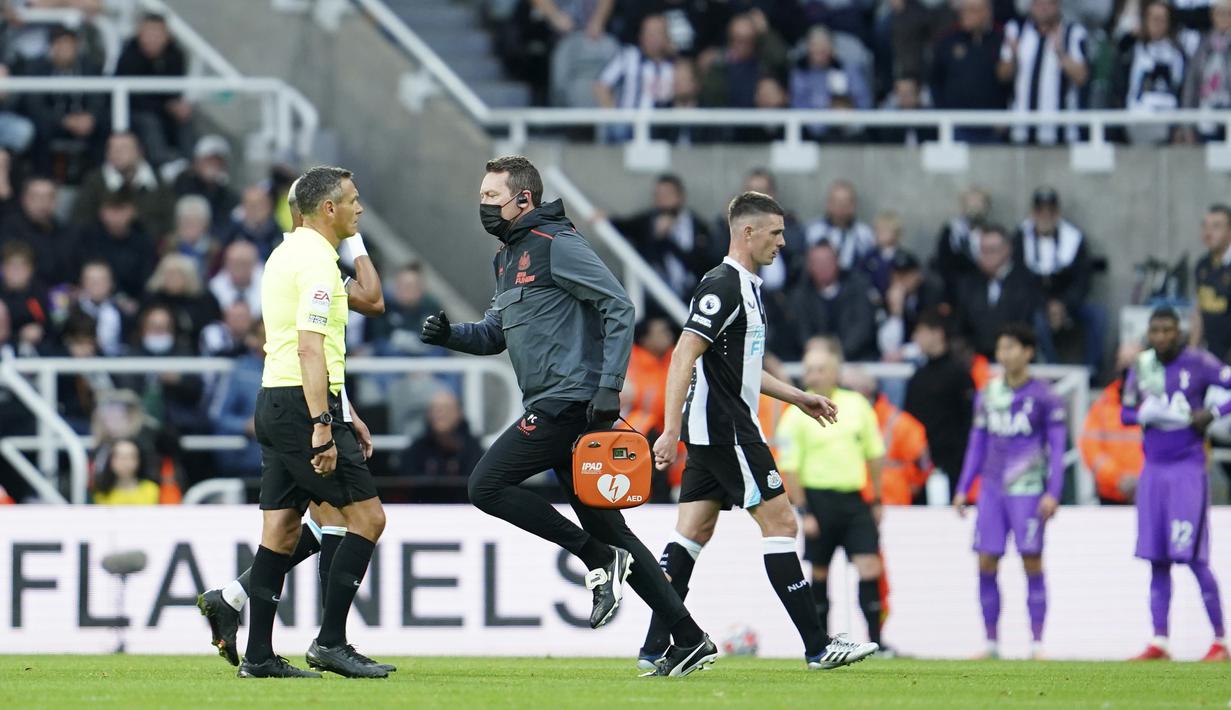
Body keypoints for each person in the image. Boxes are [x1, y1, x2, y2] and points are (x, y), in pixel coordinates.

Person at [421, 155, 715, 677]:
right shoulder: (506, 257)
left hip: (571, 404)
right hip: (554, 402)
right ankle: (689, 638)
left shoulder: (558, 245)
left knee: (485, 486)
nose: (483, 205)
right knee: (616, 531)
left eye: (492, 197)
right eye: (483, 196)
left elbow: (619, 307)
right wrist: (450, 336)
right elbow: (494, 333)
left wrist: (608, 388)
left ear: (524, 200)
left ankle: (594, 557)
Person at [637, 190, 876, 673]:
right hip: (729, 432)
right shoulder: (723, 285)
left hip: (716, 432)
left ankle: (654, 649)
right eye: (776, 232)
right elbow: (683, 355)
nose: (784, 242)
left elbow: (740, 367)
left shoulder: (744, 286)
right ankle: (817, 647)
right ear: (748, 232)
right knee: (782, 524)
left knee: (691, 533)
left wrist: (797, 396)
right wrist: (669, 430)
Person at [197, 175, 388, 671]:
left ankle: (257, 652)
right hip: (303, 405)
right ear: (327, 208)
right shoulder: (318, 263)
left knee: (281, 529)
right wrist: (324, 422)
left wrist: (345, 410)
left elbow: (370, 299)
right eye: (353, 202)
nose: (360, 209)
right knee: (366, 519)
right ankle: (330, 643)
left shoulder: (288, 254)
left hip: (278, 398)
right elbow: (310, 346)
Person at [953, 323, 1066, 660]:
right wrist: (963, 487)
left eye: (1012, 347)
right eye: (1001, 348)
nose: (1005, 354)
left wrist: (1054, 492)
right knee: (986, 561)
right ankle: (990, 643)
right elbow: (977, 443)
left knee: (1032, 560)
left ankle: (1036, 644)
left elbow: (1058, 449)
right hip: (991, 490)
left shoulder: (1046, 396)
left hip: (1029, 491)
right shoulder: (989, 393)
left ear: (1028, 352)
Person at [1122, 308, 1230, 662]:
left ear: (1179, 332)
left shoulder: (1199, 362)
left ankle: (1220, 641)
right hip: (1153, 469)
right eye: (1156, 330)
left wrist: (1213, 414)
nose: (1162, 336)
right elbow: (1125, 412)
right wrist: (1146, 413)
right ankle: (1160, 641)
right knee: (1157, 558)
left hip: (1187, 468)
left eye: (1168, 330)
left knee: (1195, 558)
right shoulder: (1143, 366)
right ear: (1149, 334)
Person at [776, 345, 887, 654]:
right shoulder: (796, 412)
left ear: (836, 372)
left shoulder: (857, 405)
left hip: (854, 500)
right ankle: (821, 643)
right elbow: (790, 466)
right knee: (820, 571)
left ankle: (878, 640)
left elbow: (875, 453)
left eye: (820, 368)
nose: (813, 374)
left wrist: (877, 499)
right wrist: (804, 510)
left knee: (869, 567)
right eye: (809, 369)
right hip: (818, 502)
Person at [1014, 187, 1103, 373]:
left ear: (1058, 213)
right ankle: (1052, 370)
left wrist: (1064, 305)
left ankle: (1091, 372)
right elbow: (1019, 278)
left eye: (1050, 211)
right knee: (1038, 321)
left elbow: (1082, 279)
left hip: (1068, 302)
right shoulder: (1020, 237)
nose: (1045, 216)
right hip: (1035, 302)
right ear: (1033, 213)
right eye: (1040, 211)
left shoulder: (1074, 238)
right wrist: (1046, 305)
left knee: (1097, 315)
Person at [610, 173, 715, 302]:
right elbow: (622, 228)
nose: (662, 200)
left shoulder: (698, 226)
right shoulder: (647, 222)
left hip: (690, 297)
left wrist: (669, 241)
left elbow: (701, 265)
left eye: (667, 195)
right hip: (655, 300)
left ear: (681, 196)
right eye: (658, 195)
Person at [904, 311, 976, 495]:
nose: (916, 338)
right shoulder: (918, 376)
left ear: (938, 333)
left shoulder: (959, 374)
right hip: (922, 461)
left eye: (920, 332)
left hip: (953, 462)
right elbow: (909, 419)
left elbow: (969, 419)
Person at [999, 0, 1090, 145]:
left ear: (1058, 4)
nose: (1043, 7)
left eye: (1049, 3)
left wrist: (1061, 54)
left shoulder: (1073, 32)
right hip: (1021, 132)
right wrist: (1014, 57)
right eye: (1038, 2)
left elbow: (1082, 77)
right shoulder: (1016, 29)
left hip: (1062, 134)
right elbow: (1002, 75)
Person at [114, 12, 193, 166]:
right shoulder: (129, 56)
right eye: (149, 32)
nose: (153, 38)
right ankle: (161, 165)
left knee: (186, 118)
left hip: (164, 111)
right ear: (139, 33)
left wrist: (177, 106)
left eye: (158, 33)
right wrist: (166, 105)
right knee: (149, 122)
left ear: (166, 35)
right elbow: (132, 97)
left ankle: (191, 165)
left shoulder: (175, 55)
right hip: (137, 112)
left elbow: (175, 91)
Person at [956, 225, 1041, 358]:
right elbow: (963, 323)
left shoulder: (1025, 281)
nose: (987, 256)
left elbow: (1024, 322)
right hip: (976, 359)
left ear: (1007, 250)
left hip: (1014, 357)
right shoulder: (969, 283)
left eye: (992, 250)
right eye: (983, 250)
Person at [930, 0, 1007, 143]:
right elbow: (935, 81)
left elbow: (1009, 85)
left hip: (992, 128)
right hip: (956, 127)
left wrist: (1005, 116)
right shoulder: (947, 40)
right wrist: (942, 116)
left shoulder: (1002, 39)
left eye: (972, 10)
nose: (965, 15)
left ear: (987, 12)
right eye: (963, 10)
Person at [790, 242, 878, 361]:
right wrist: (818, 353)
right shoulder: (800, 295)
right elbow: (801, 331)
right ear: (809, 266)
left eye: (827, 261)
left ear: (837, 262)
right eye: (817, 262)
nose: (823, 266)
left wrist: (839, 353)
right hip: (814, 360)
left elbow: (863, 326)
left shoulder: (858, 288)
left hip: (856, 360)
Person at [1079, 344, 1144, 505]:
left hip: (1151, 492)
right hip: (1111, 495)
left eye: (1134, 361)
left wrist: (1145, 480)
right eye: (1124, 361)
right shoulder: (1102, 404)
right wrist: (1118, 479)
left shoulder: (1160, 402)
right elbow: (1091, 450)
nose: (1128, 367)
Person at [402, 389, 485, 498]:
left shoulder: (473, 449)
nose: (440, 413)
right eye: (435, 409)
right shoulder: (415, 450)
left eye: (446, 408)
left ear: (459, 413)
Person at [0, 177, 74, 287]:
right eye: (36, 197)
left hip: (59, 296)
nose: (43, 203)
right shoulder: (9, 228)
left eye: (49, 197)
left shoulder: (65, 231)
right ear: (24, 199)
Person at [1180, 0, 1231, 142]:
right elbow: (1191, 84)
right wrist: (1187, 124)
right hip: (1207, 112)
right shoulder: (1202, 45)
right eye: (1220, 13)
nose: (1224, 18)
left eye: (1228, 13)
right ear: (1212, 16)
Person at [805, 180, 875, 271]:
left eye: (846, 202)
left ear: (854, 205)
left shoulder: (865, 233)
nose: (841, 206)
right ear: (828, 204)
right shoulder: (813, 231)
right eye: (837, 202)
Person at [1191, 204, 1231, 364]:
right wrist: (1192, 352)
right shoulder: (1202, 265)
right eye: (1205, 226)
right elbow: (1199, 310)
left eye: (1216, 227)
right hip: (1210, 353)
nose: (1208, 232)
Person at [92, 439, 160, 505]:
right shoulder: (100, 493)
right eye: (120, 457)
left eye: (130, 457)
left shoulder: (151, 489)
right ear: (110, 460)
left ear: (139, 460)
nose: (125, 462)